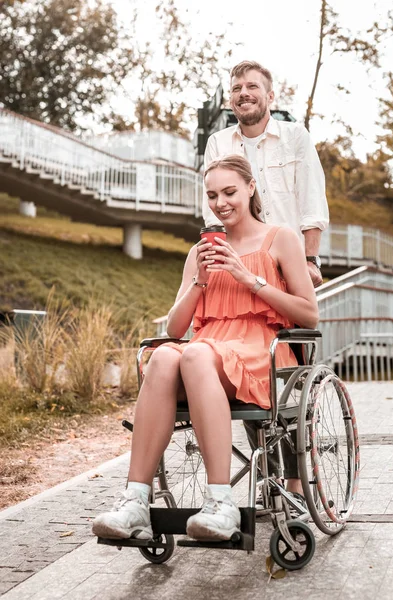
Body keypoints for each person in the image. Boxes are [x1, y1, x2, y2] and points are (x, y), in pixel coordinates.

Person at [92, 155, 318, 542]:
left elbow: (309, 315)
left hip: (261, 349)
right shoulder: (200, 251)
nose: (220, 202)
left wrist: (248, 278)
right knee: (164, 354)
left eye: (229, 192)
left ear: (250, 188)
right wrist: (199, 280)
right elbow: (175, 328)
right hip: (207, 348)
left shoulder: (280, 238)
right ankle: (136, 501)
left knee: (194, 354)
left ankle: (220, 502)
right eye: (212, 195)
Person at [203, 60, 329, 496]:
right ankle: (269, 473)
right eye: (236, 87)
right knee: (248, 370)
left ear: (269, 96)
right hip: (243, 260)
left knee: (289, 385)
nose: (243, 93)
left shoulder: (294, 138)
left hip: (289, 262)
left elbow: (311, 203)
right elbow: (213, 208)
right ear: (230, 98)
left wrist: (309, 261)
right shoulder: (219, 142)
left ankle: (294, 482)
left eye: (252, 86)